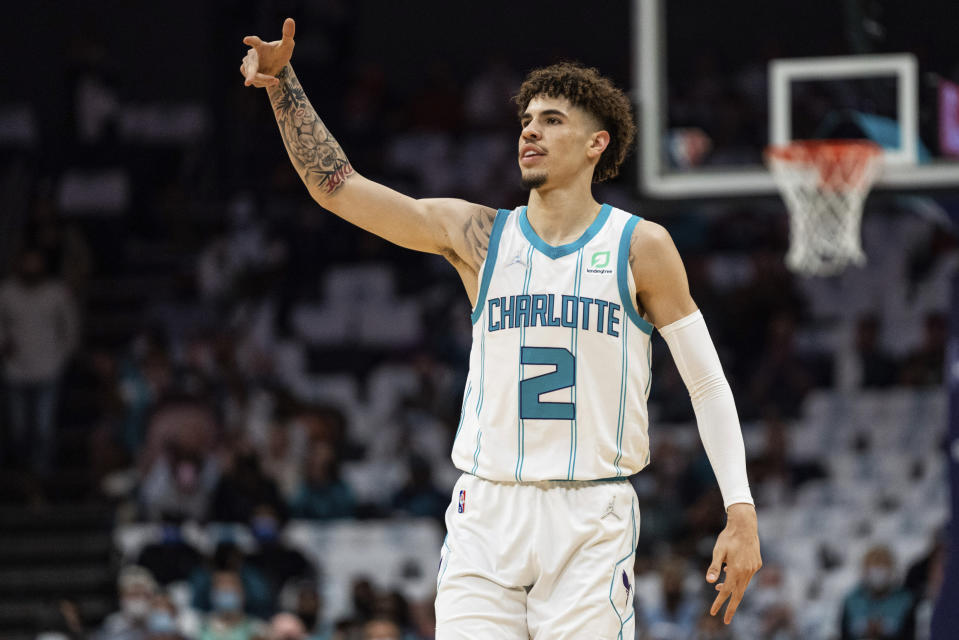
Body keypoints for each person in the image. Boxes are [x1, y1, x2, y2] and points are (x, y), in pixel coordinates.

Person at [240, 18, 761, 638]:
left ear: (598, 143)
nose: (530, 131)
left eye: (551, 120)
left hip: (590, 515)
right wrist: (282, 86)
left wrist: (741, 509)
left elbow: (706, 383)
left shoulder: (640, 246)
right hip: (487, 510)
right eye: (526, 121)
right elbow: (338, 189)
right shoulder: (481, 237)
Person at [0, 247, 80, 474]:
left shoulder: (56, 292)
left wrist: (62, 355)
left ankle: (41, 474)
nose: (31, 267)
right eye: (27, 261)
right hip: (15, 370)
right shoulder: (7, 292)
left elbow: (70, 327)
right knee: (19, 429)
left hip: (48, 369)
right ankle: (23, 472)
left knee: (43, 429)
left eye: (36, 262)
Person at [840, 545, 914, 640]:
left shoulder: (905, 600)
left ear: (891, 570)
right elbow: (844, 633)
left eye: (882, 567)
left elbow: (910, 633)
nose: (878, 573)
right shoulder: (851, 599)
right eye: (874, 568)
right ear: (865, 570)